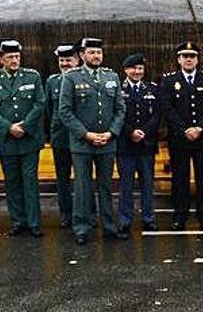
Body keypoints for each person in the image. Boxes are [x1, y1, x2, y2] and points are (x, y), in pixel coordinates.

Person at [58, 37, 127, 245]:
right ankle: (81, 228)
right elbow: (65, 111)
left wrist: (111, 133)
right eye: (91, 52)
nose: (96, 56)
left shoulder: (111, 76)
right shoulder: (71, 78)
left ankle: (109, 227)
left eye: (98, 52)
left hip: (107, 142)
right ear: (82, 55)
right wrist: (86, 134)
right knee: (82, 187)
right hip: (82, 144)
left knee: (106, 187)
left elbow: (120, 109)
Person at [159, 40, 203, 231]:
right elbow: (167, 109)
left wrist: (199, 128)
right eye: (185, 56)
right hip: (179, 139)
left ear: (198, 59)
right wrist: (184, 129)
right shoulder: (169, 81)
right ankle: (180, 216)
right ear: (179, 59)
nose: (189, 60)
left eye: (192, 56)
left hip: (202, 138)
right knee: (180, 180)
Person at [0, 39, 45, 237]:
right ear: (2, 59)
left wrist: (24, 126)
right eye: (10, 57)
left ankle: (34, 223)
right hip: (6, 139)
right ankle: (18, 222)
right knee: (12, 183)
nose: (14, 60)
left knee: (30, 182)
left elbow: (40, 103)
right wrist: (9, 127)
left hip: (29, 138)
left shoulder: (32, 76)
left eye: (17, 56)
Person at [117, 53, 161, 234]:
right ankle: (125, 220)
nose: (137, 72)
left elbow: (157, 115)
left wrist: (144, 132)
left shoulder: (152, 89)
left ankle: (148, 218)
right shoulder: (118, 90)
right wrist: (130, 132)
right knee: (125, 185)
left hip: (146, 144)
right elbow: (116, 115)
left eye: (140, 69)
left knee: (147, 184)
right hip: (126, 145)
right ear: (126, 70)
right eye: (133, 68)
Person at [45, 43, 80, 229]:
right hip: (60, 138)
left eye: (68, 59)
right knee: (63, 179)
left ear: (77, 60)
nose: (65, 63)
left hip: (81, 138)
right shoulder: (52, 81)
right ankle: (66, 214)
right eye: (62, 60)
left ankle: (87, 213)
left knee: (83, 178)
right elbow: (50, 111)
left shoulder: (84, 79)